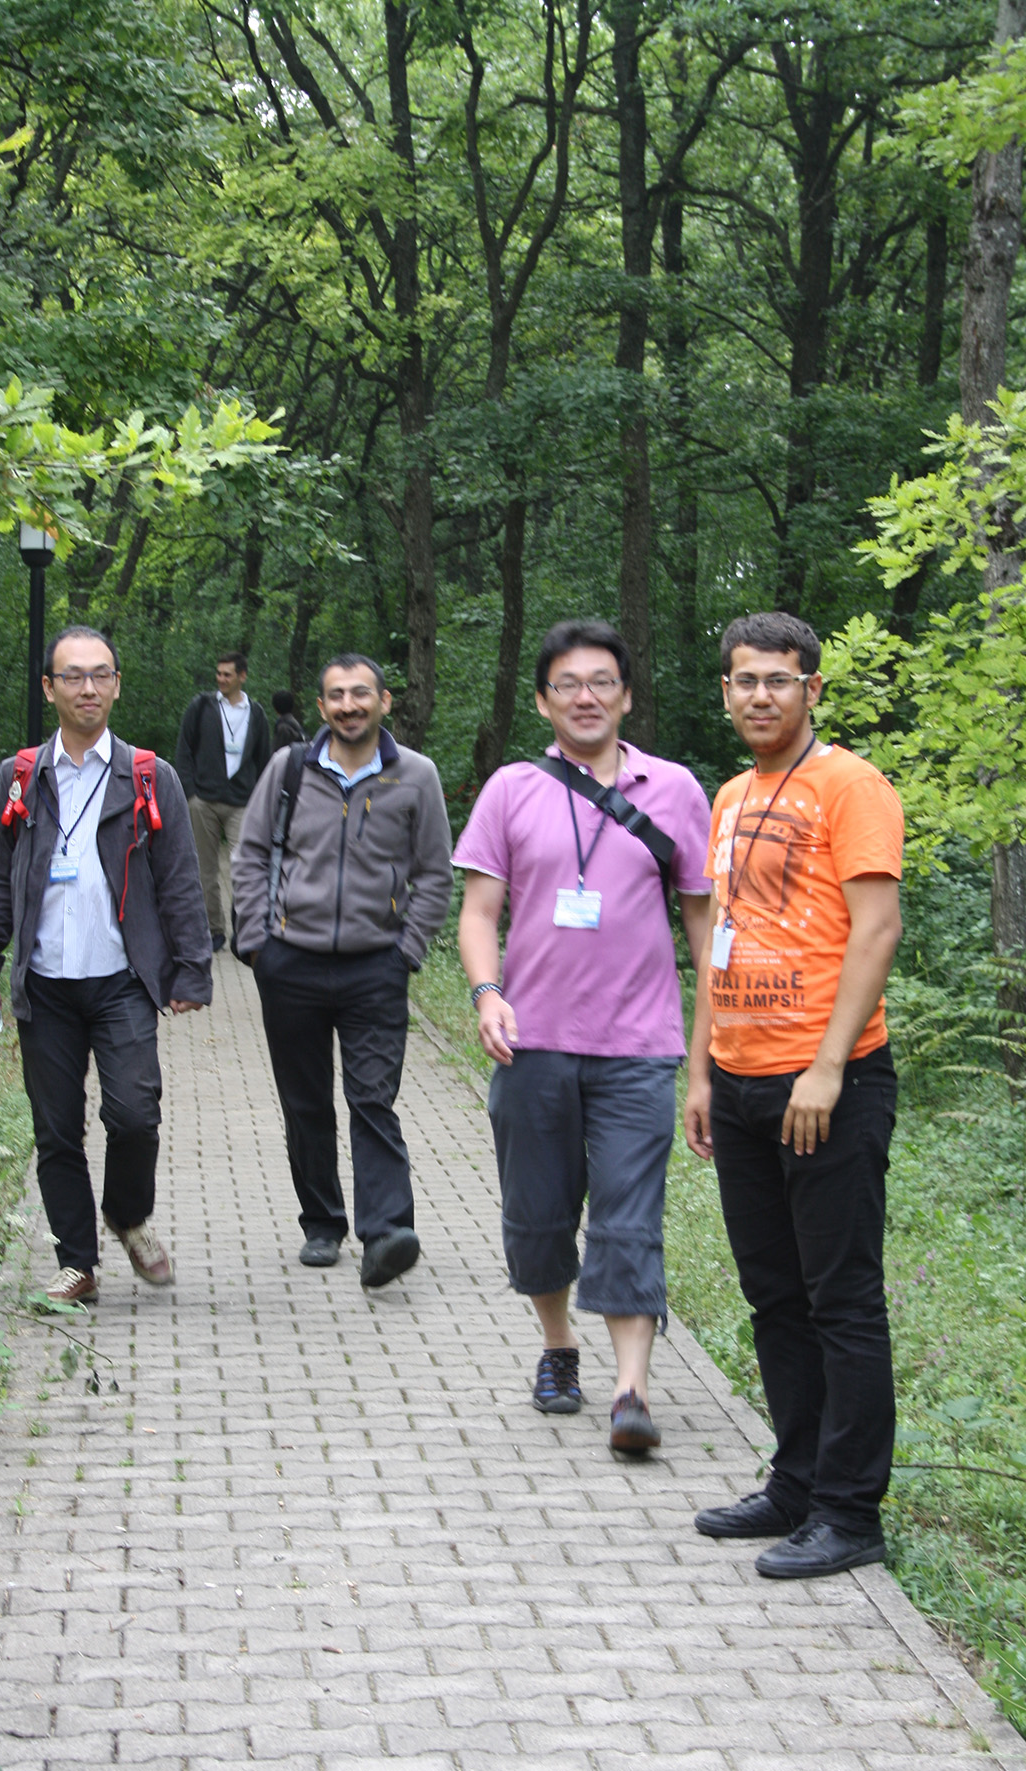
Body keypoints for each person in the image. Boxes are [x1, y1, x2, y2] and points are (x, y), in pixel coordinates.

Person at [455, 619, 712, 1450]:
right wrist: (487, 994)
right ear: (544, 702)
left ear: (627, 696)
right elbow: (479, 912)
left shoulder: (674, 789)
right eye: (568, 684)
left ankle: (632, 1391)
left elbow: (704, 925)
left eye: (603, 682)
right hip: (531, 1042)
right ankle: (559, 1347)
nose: (586, 697)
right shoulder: (510, 789)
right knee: (537, 1215)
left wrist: (706, 1058)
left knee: (629, 1216)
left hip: (639, 1046)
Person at [684, 611, 904, 1579]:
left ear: (811, 688)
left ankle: (850, 1514)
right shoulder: (732, 794)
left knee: (840, 1300)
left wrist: (827, 1065)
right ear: (726, 692)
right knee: (773, 1296)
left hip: (826, 1085)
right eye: (745, 680)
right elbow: (720, 938)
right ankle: (796, 1483)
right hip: (738, 1082)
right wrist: (702, 1069)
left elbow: (878, 928)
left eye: (778, 679)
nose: (760, 695)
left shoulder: (851, 785)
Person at [0, 624, 211, 1308]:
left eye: (101, 674)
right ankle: (77, 1262)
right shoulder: (20, 777)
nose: (88, 688)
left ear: (117, 685)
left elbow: (180, 879)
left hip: (122, 980)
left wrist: (191, 969)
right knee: (56, 1131)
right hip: (44, 986)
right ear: (49, 688)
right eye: (72, 676)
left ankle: (127, 1215)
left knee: (134, 1116)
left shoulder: (148, 776)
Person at [232, 653, 453, 1287]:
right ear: (322, 706)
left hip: (376, 967)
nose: (349, 705)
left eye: (361, 693)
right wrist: (257, 943)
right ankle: (323, 1224)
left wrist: (407, 950)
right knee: (305, 1103)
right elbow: (250, 855)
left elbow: (435, 872)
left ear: (384, 701)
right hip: (290, 963)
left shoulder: (416, 775)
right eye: (336, 695)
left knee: (372, 1098)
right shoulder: (288, 768)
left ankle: (386, 1233)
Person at [174, 651, 271, 951]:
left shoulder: (256, 714)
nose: (221, 679)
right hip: (203, 800)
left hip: (242, 802)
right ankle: (212, 929)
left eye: (227, 674)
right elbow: (184, 750)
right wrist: (191, 794)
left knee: (245, 867)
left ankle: (244, 931)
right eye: (218, 673)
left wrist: (260, 798)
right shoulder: (201, 707)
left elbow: (264, 760)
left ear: (242, 676)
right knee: (205, 869)